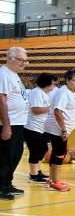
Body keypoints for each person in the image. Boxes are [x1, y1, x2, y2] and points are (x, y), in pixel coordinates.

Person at [43, 68, 75, 192]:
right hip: (58, 129)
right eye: (74, 80)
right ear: (67, 80)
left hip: (62, 129)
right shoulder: (64, 92)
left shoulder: (71, 92)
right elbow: (57, 111)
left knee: (57, 153)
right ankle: (55, 182)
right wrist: (64, 130)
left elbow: (69, 111)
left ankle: (52, 180)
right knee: (59, 154)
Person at [0, 47, 29, 200]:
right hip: (9, 123)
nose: (23, 63)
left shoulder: (14, 75)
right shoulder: (3, 74)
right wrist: (6, 126)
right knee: (5, 157)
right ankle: (1, 187)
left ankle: (7, 183)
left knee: (15, 155)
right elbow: (1, 100)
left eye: (25, 60)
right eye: (20, 60)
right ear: (9, 58)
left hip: (18, 123)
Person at [24, 73, 56, 183]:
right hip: (33, 127)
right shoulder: (37, 92)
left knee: (43, 149)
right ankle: (33, 175)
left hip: (42, 127)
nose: (54, 86)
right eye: (52, 83)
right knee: (35, 150)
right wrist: (51, 108)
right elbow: (36, 110)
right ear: (47, 84)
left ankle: (37, 171)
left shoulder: (45, 93)